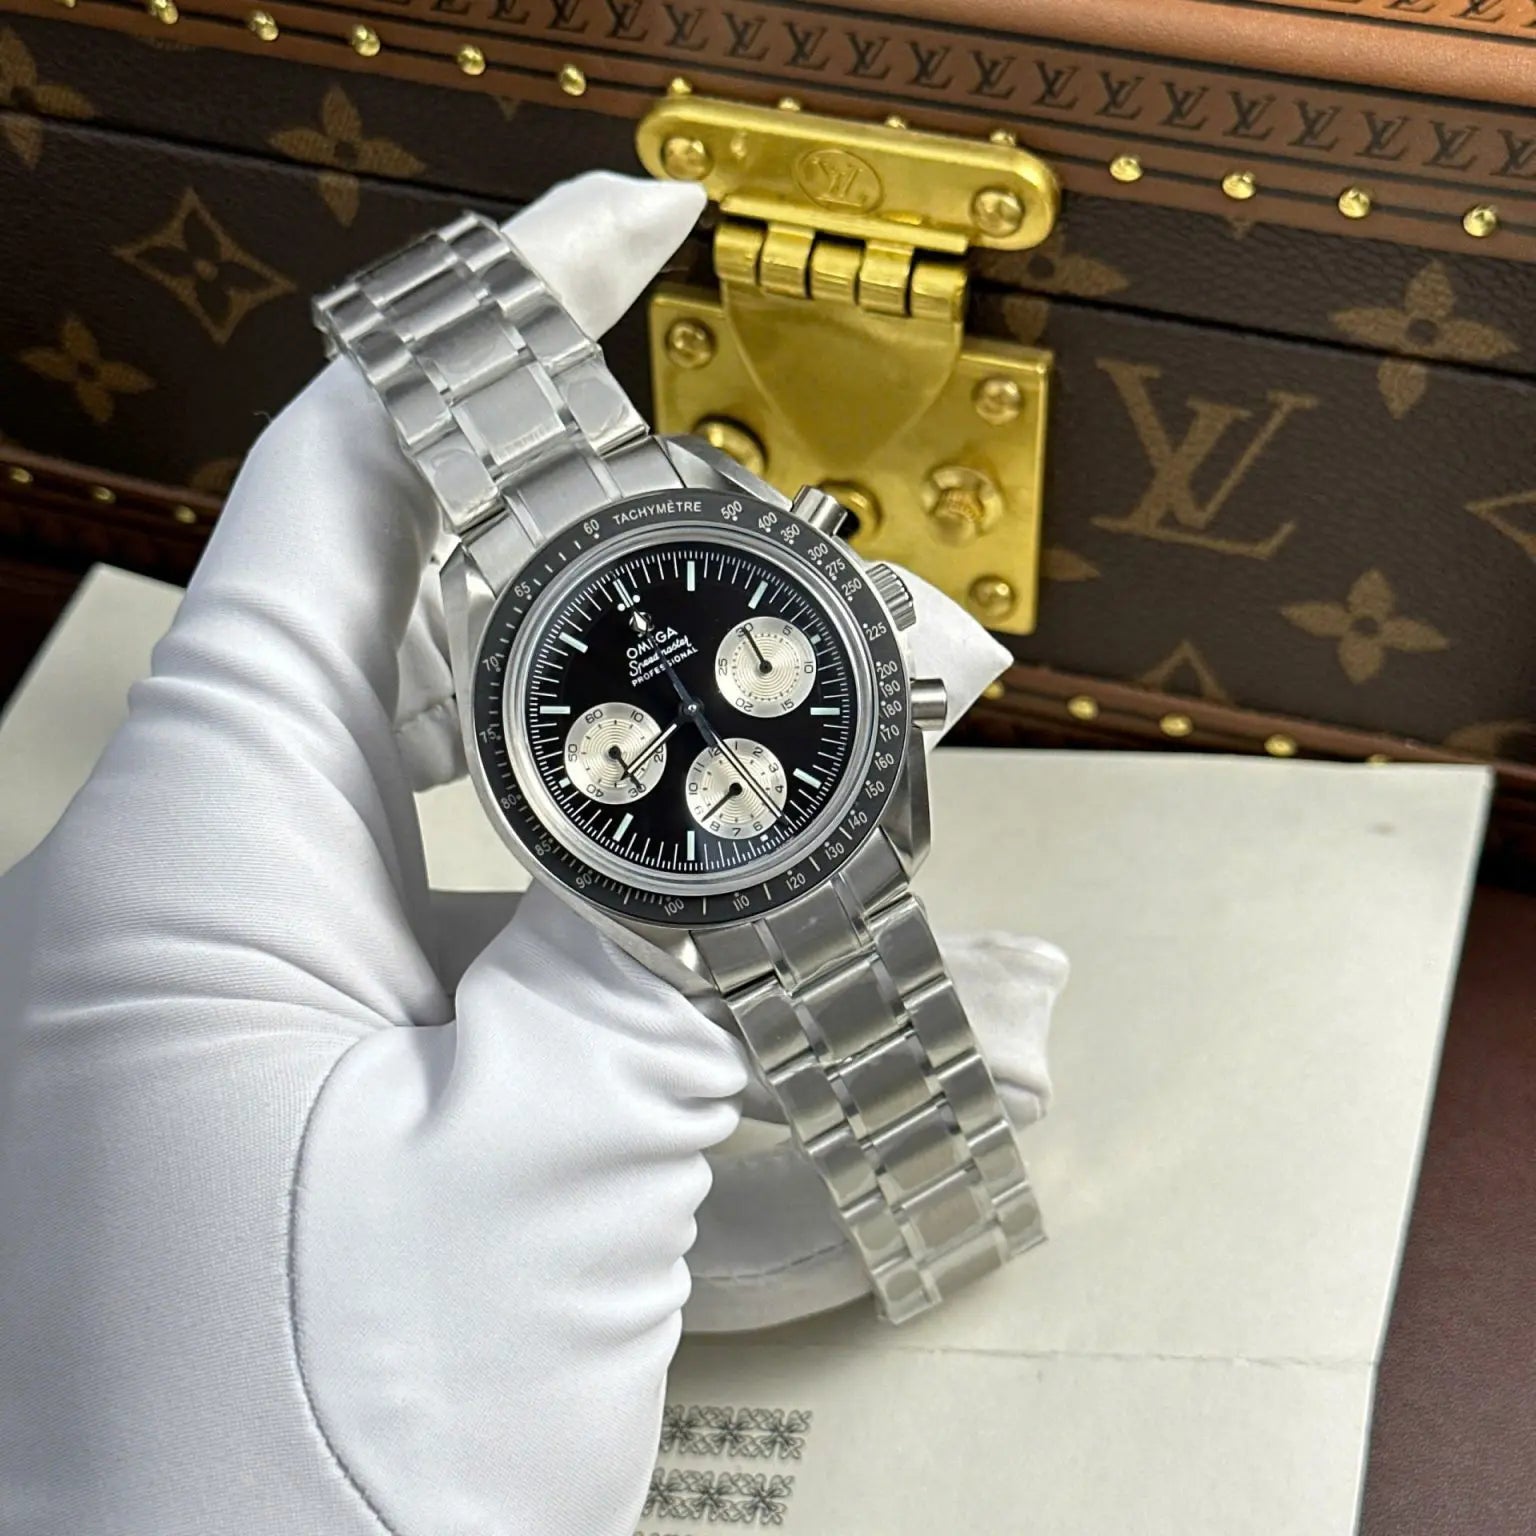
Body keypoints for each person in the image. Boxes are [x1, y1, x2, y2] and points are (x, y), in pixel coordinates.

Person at [0, 173, 1062, 1534]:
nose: (694, 701)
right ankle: (938, 1200)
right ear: (503, 745)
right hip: (709, 813)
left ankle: (941, 1200)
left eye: (749, 662)